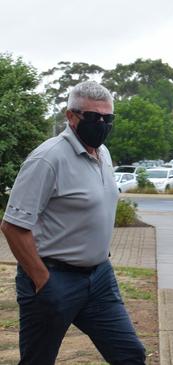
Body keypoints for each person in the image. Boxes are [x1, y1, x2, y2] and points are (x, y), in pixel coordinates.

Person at [0, 81, 146, 364]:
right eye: (93, 117)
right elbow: (13, 226)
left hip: (99, 277)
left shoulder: (102, 154)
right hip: (55, 278)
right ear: (71, 116)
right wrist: (43, 280)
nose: (101, 124)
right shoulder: (47, 159)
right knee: (38, 360)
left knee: (130, 354)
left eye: (108, 118)